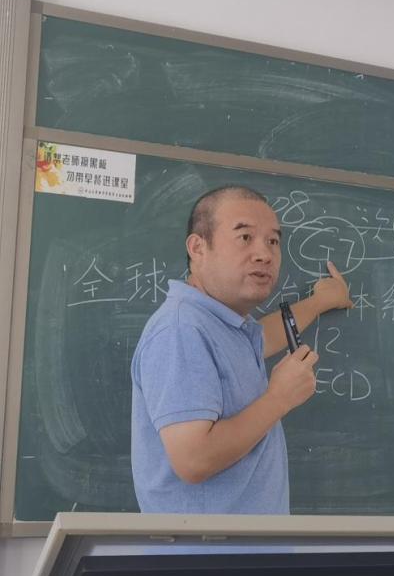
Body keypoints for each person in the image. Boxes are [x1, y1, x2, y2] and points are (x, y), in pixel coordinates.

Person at [130, 185, 353, 514]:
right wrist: (279, 398)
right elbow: (193, 459)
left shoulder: (221, 325)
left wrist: (321, 301)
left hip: (242, 543)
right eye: (245, 237)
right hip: (207, 546)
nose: (264, 254)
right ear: (198, 248)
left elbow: (266, 336)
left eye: (273, 241)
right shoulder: (181, 329)